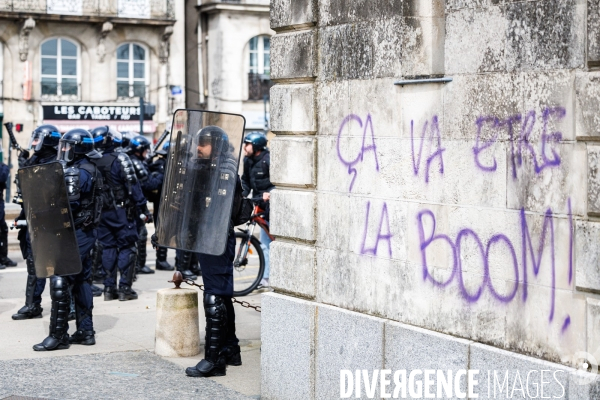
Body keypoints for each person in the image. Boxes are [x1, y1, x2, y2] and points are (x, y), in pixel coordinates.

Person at [153, 122, 243, 377]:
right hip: (205, 238)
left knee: (214, 296)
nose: (198, 148)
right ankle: (229, 349)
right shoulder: (203, 169)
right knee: (222, 295)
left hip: (215, 238)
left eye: (203, 144)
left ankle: (214, 361)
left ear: (216, 146)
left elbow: (216, 210)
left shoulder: (224, 170)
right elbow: (185, 203)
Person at [33, 128, 103, 350]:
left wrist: (41, 213)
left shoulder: (77, 172)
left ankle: (59, 335)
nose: (63, 149)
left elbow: (68, 206)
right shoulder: (91, 168)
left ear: (78, 149)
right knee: (82, 281)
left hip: (75, 233)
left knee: (60, 280)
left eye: (67, 146)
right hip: (86, 232)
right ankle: (85, 331)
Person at [91, 127, 150, 302]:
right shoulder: (121, 158)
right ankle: (125, 288)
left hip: (102, 213)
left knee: (108, 248)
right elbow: (133, 185)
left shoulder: (93, 160)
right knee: (127, 247)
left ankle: (109, 289)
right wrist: (143, 208)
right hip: (122, 212)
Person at [12, 125, 61, 320]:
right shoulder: (35, 160)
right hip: (33, 219)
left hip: (51, 222)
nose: (34, 144)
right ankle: (32, 305)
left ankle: (68, 306)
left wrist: (26, 169)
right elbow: (27, 193)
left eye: (37, 139)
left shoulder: (56, 162)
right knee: (34, 266)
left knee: (58, 268)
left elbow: (43, 189)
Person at [241, 132, 274, 288]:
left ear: (256, 146)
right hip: (259, 202)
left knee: (270, 240)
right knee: (265, 243)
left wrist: (271, 193)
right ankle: (266, 277)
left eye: (247, 144)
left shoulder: (268, 160)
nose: (244, 147)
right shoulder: (247, 160)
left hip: (271, 203)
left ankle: (268, 276)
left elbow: (279, 182)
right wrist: (240, 196)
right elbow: (245, 182)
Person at [127, 135, 160, 276]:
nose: (147, 153)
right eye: (145, 150)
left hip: (133, 204)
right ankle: (139, 265)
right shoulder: (136, 162)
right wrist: (161, 174)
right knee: (140, 234)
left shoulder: (131, 160)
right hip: (135, 205)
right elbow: (149, 184)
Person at [148, 141, 174, 272]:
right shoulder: (161, 166)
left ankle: (162, 259)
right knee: (162, 232)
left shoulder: (165, 165)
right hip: (162, 202)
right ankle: (161, 260)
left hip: (169, 202)